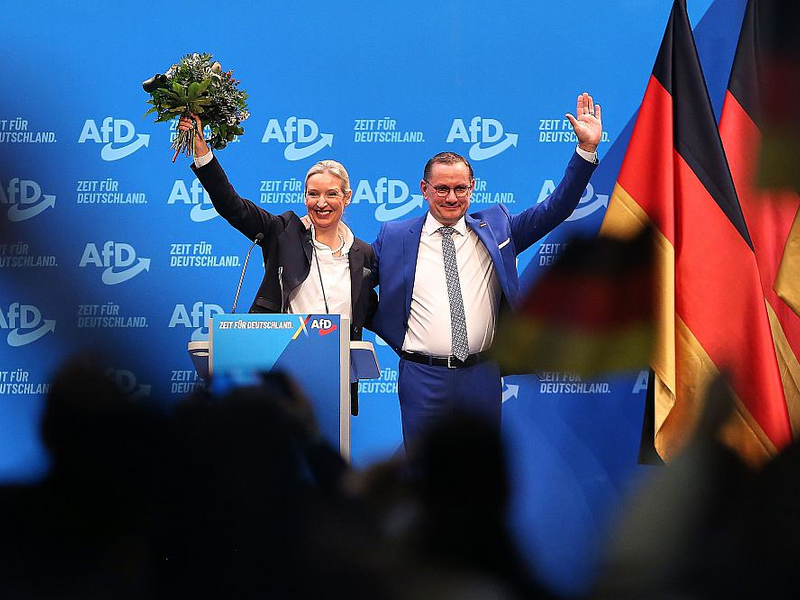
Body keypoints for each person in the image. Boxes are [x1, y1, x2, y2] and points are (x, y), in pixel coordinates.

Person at [370, 93, 603, 448]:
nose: (451, 197)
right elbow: (354, 281)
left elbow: (555, 209)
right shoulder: (395, 236)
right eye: (442, 189)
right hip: (421, 375)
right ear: (424, 190)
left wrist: (585, 150)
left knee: (480, 473)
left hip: (481, 375)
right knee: (422, 473)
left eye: (460, 188)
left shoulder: (498, 228)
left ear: (473, 188)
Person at [178, 115, 376, 414]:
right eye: (313, 194)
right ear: (304, 196)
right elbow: (232, 205)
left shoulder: (363, 253)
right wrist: (202, 152)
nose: (321, 202)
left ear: (347, 198)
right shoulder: (282, 232)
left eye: (331, 194)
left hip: (335, 375)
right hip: (278, 367)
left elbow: (374, 310)